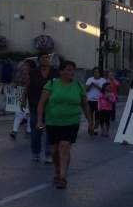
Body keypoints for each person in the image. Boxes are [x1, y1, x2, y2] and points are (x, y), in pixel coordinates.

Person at [36, 59, 92, 189]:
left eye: (73, 70)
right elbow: (41, 104)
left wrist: (90, 121)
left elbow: (85, 105)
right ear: (61, 71)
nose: (71, 72)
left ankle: (62, 177)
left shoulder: (79, 86)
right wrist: (39, 120)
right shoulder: (51, 84)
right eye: (68, 69)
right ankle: (57, 169)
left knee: (64, 146)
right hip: (53, 122)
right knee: (54, 151)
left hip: (71, 122)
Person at [26, 53, 55, 165]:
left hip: (51, 106)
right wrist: (23, 99)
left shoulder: (54, 72)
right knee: (36, 131)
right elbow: (28, 85)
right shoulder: (33, 72)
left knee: (50, 131)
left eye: (47, 57)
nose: (46, 59)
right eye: (43, 57)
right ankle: (36, 152)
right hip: (35, 104)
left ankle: (48, 154)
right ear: (39, 60)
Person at [10, 59, 32, 140]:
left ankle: (29, 130)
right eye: (24, 65)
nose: (24, 66)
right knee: (18, 113)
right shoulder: (20, 73)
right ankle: (14, 131)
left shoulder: (33, 74)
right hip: (20, 95)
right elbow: (15, 81)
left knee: (29, 114)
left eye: (26, 65)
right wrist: (13, 85)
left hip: (30, 96)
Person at [85, 67, 109, 136]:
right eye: (94, 72)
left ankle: (95, 129)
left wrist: (97, 86)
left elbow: (105, 91)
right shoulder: (89, 79)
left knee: (98, 116)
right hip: (90, 100)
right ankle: (91, 127)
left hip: (99, 101)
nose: (96, 73)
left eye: (97, 72)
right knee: (90, 116)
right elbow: (86, 89)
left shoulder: (103, 80)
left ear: (100, 73)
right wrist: (90, 85)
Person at [97, 72, 120, 138]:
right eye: (110, 75)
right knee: (101, 120)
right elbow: (99, 101)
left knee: (107, 120)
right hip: (101, 109)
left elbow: (117, 85)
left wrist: (109, 98)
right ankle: (102, 130)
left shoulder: (111, 93)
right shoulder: (102, 91)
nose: (111, 76)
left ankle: (107, 131)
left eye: (112, 75)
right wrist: (99, 108)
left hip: (108, 108)